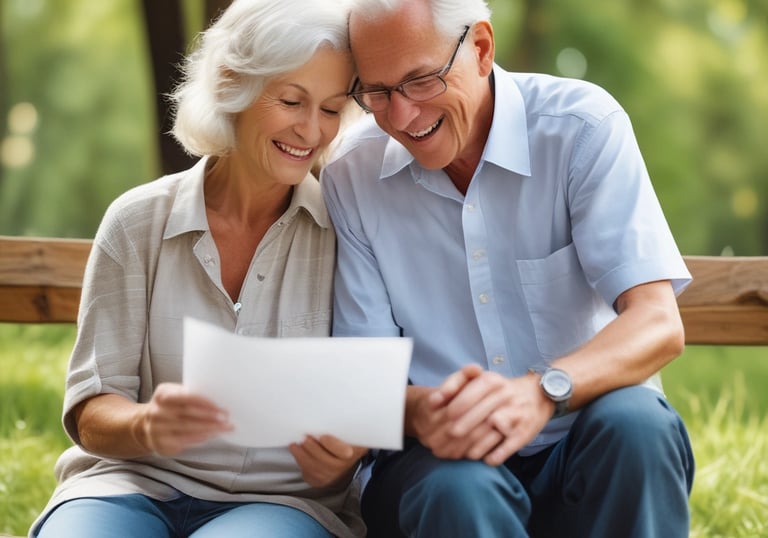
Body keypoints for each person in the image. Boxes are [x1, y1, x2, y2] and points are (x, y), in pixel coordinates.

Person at [320, 0, 695, 536]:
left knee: (638, 427)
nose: (400, 116)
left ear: (481, 48)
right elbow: (364, 381)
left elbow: (658, 323)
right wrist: (426, 410)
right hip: (440, 464)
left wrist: (542, 391)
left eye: (421, 80)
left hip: (582, 430)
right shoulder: (351, 176)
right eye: (376, 93)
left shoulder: (581, 129)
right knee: (458, 491)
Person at [30, 0, 368, 536]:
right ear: (233, 83)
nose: (310, 130)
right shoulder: (136, 221)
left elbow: (369, 394)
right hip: (129, 482)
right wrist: (147, 425)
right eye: (291, 100)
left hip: (281, 503)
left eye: (331, 109)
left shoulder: (348, 230)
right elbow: (92, 411)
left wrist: (350, 450)